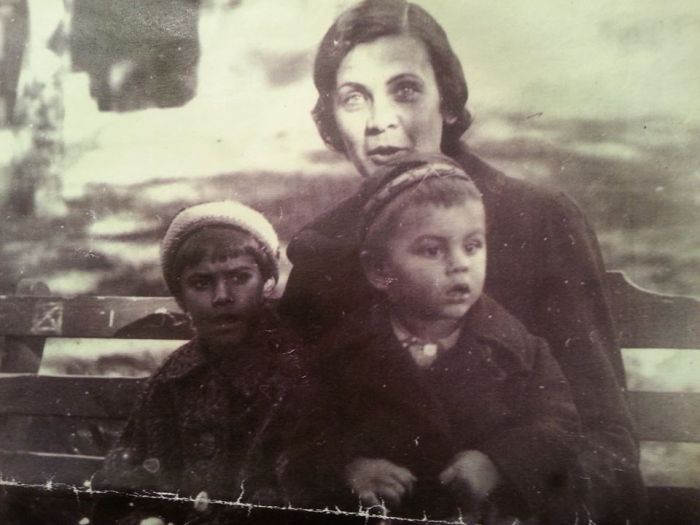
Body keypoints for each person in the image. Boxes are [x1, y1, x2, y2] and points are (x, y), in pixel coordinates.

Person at [278, 0, 646, 523]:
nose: (380, 122)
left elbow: (606, 439)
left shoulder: (538, 221)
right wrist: (345, 467)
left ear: (448, 102)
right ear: (333, 118)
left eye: (406, 90)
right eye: (354, 98)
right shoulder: (324, 248)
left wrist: (510, 481)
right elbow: (291, 424)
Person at [318, 155, 584, 524]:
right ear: (380, 270)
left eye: (472, 245)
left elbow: (558, 425)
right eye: (432, 250)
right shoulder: (344, 353)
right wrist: (350, 467)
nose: (460, 264)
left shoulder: (518, 348)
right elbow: (303, 432)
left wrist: (497, 463)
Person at [94, 201, 323, 525]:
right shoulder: (175, 378)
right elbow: (121, 485)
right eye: (201, 283)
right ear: (181, 298)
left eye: (240, 277)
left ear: (266, 283)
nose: (222, 296)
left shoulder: (294, 370)